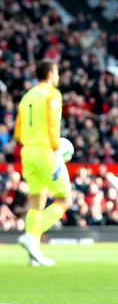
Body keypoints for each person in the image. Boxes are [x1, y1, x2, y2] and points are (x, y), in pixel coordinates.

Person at [14, 60, 71, 266]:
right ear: (49, 74)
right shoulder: (52, 94)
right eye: (56, 73)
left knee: (37, 201)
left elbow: (18, 132)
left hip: (27, 152)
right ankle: (32, 236)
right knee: (64, 200)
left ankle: (33, 254)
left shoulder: (26, 96)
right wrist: (57, 150)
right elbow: (52, 123)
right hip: (46, 151)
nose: (57, 77)